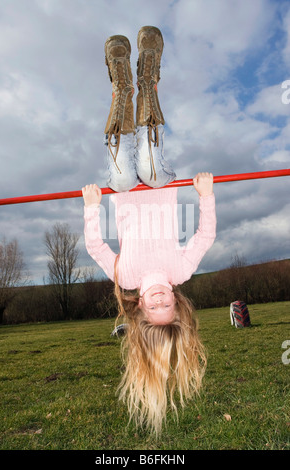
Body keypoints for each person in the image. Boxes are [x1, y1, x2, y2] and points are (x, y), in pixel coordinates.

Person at [82, 27, 216, 435]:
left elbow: (95, 245)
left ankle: (122, 83)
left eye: (152, 309)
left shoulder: (126, 277)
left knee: (122, 175)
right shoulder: (180, 271)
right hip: (160, 183)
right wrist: (204, 195)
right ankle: (149, 79)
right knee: (152, 170)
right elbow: (205, 235)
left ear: (140, 309)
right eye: (167, 308)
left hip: (125, 190)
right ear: (176, 302)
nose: (159, 302)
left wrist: (92, 207)